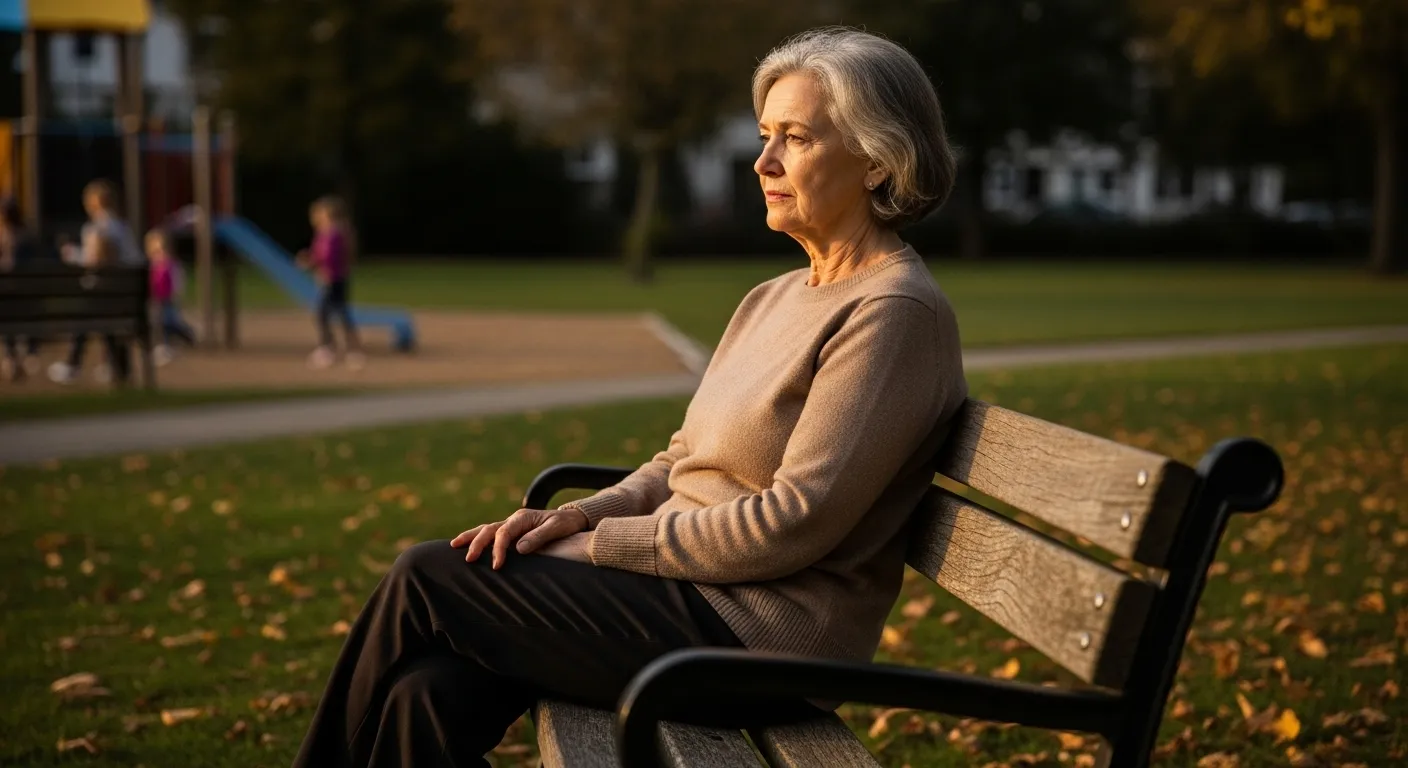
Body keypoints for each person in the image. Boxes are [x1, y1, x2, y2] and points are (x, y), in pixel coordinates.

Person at [293, 27, 967, 767]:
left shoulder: (892, 312)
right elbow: (682, 461)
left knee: (427, 574)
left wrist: (598, 548)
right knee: (426, 691)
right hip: (687, 601)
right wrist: (577, 515)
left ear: (876, 160)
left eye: (796, 138)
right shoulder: (774, 297)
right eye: (765, 134)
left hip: (761, 638)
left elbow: (790, 523)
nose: (763, 160)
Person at [47, 179, 145, 385]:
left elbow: (97, 261)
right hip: (127, 297)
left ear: (92, 204)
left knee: (88, 313)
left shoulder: (99, 229)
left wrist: (72, 254)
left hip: (108, 295)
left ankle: (73, 365)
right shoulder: (123, 228)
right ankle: (117, 367)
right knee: (99, 314)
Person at [296, 195, 364, 371]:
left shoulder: (333, 234)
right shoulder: (330, 233)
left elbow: (328, 256)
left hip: (332, 279)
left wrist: (311, 262)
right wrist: (312, 260)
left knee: (324, 313)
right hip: (336, 277)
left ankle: (329, 348)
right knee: (339, 312)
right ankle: (350, 349)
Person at [1, 197, 45, 382]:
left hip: (11, 299)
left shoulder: (7, 240)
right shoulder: (29, 238)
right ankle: (30, 351)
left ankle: (11, 357)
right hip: (30, 300)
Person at [145, 228, 196, 365]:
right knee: (163, 322)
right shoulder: (153, 266)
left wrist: (176, 295)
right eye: (156, 251)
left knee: (167, 322)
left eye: (163, 250)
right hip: (157, 300)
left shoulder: (172, 265)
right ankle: (182, 336)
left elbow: (177, 282)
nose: (160, 254)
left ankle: (171, 342)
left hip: (168, 300)